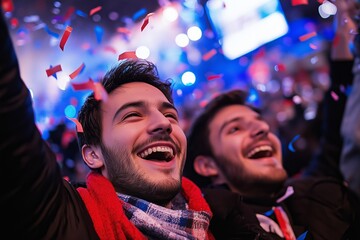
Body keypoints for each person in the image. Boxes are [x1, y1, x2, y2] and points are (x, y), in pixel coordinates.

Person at [0, 9, 215, 239]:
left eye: (170, 115)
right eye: (132, 115)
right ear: (93, 155)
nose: (164, 123)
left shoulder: (227, 217)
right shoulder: (62, 219)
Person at [183, 1, 360, 239]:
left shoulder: (317, 190)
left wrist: (343, 19)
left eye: (259, 121)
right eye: (235, 129)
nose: (260, 128)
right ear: (208, 165)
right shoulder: (212, 229)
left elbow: (339, 97)